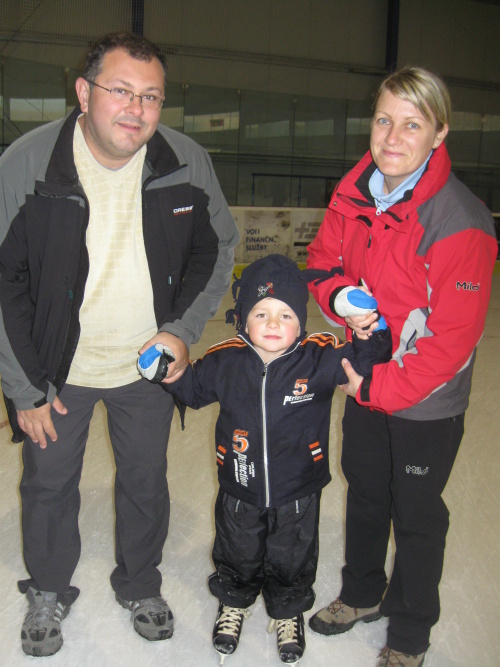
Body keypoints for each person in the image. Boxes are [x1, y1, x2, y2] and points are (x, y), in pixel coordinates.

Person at [0, 32, 239, 657]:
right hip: (56, 371)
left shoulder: (184, 160)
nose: (136, 109)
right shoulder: (28, 163)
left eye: (151, 96)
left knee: (145, 481)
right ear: (84, 93)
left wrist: (181, 330)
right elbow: (3, 282)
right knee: (48, 486)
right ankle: (48, 587)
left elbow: (218, 247)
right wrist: (24, 388)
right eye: (121, 91)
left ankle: (139, 583)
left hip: (147, 369)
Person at [306, 66, 497, 667]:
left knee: (416, 515)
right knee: (365, 493)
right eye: (384, 120)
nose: (392, 137)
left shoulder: (459, 220)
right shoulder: (353, 192)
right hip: (364, 380)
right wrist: (339, 297)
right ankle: (363, 593)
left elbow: (452, 339)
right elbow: (322, 261)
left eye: (412, 124)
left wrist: (378, 384)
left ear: (439, 134)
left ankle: (410, 633)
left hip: (424, 400)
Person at [162, 254, 392, 665]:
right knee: (237, 548)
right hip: (240, 481)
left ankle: (287, 611)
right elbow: (192, 389)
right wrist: (168, 373)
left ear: (300, 323)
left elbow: (365, 360)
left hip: (298, 486)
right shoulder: (226, 358)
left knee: (293, 553)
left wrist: (368, 331)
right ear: (242, 320)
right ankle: (234, 601)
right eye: (261, 313)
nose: (272, 323)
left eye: (285, 315)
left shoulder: (319, 356)